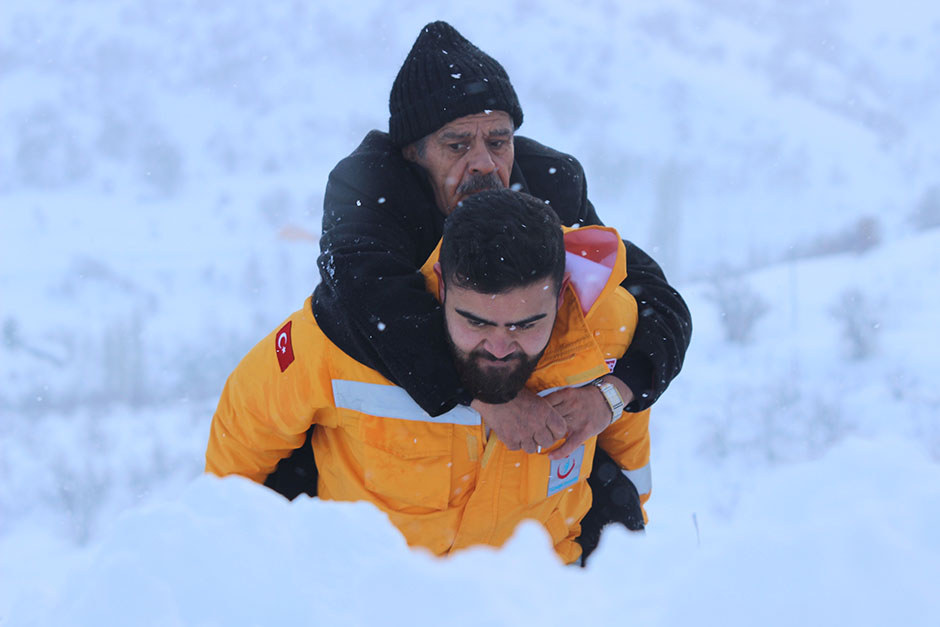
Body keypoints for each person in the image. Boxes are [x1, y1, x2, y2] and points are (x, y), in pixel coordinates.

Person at [301, 21, 689, 555]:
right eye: (457, 144)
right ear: (413, 154)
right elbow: (366, 302)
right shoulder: (370, 191)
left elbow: (652, 296)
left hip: (537, 472)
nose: (483, 162)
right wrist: (485, 396)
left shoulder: (548, 186)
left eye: (498, 141)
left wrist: (613, 394)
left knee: (612, 518)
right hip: (388, 465)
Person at [206, 190, 651, 565]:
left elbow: (632, 473)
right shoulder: (343, 344)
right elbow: (241, 444)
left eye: (526, 325)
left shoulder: (605, 333)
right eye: (475, 322)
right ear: (441, 285)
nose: (499, 348)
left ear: (562, 293)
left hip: (534, 600)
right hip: (368, 599)